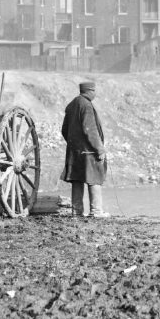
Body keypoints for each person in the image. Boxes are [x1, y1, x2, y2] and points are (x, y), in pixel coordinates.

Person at [60, 80, 109, 218]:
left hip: (74, 152)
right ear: (89, 91)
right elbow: (90, 130)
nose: (95, 93)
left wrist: (75, 143)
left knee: (77, 179)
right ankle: (96, 211)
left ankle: (76, 212)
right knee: (94, 178)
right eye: (94, 91)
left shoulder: (72, 104)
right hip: (88, 152)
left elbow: (64, 130)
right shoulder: (86, 105)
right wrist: (99, 149)